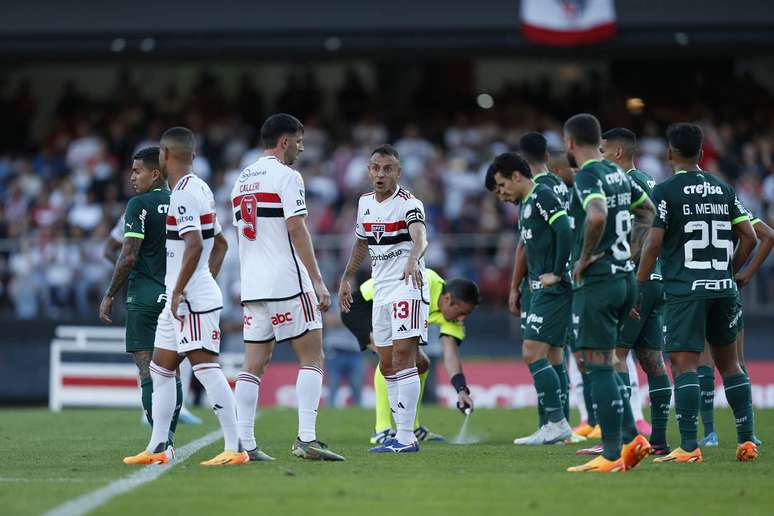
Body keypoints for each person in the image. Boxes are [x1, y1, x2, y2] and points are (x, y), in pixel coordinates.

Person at [636, 123, 758, 463]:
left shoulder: (665, 190)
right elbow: (750, 237)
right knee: (731, 363)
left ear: (669, 154)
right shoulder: (723, 188)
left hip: (686, 290)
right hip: (723, 288)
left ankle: (689, 447)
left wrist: (640, 284)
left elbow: (654, 242)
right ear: (702, 154)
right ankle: (747, 441)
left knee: (683, 364)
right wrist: (729, 272)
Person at [123, 127, 244, 466]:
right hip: (183, 296)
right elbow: (219, 243)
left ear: (164, 154)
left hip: (186, 298)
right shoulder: (199, 188)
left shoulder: (184, 195)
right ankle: (159, 447)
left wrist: (180, 290)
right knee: (161, 371)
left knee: (206, 368)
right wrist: (203, 278)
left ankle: (235, 448)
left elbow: (193, 245)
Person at [231, 113, 344, 462]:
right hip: (287, 283)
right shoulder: (287, 176)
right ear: (284, 142)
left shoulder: (241, 179)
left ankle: (244, 443)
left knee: (253, 365)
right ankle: (307, 439)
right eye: (298, 140)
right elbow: (297, 229)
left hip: (252, 286)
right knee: (313, 357)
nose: (301, 147)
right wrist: (318, 282)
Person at [563, 113, 656, 473]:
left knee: (594, 362)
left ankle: (612, 453)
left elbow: (597, 216)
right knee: (611, 361)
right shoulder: (618, 173)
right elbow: (646, 211)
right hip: (624, 278)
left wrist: (586, 258)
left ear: (571, 142)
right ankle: (633, 438)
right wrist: (627, 252)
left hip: (599, 281)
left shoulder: (589, 174)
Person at [339, 144, 429, 453]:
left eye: (387, 168)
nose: (381, 173)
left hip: (407, 284)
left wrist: (413, 259)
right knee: (387, 362)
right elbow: (362, 243)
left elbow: (421, 237)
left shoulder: (409, 203)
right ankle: (397, 434)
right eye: (376, 168)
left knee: (404, 357)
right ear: (368, 171)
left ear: (398, 172)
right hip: (381, 288)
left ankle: (406, 436)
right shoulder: (364, 203)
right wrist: (348, 276)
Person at [100, 147, 186, 444]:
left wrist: (110, 293)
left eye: (137, 171)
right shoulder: (182, 200)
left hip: (144, 297)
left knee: (147, 370)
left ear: (156, 173)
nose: (132, 177)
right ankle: (168, 436)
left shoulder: (138, 205)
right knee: (171, 371)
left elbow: (126, 257)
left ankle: (160, 440)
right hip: (177, 295)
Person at [488, 152, 574, 445]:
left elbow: (565, 229)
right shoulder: (528, 203)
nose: (502, 193)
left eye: (502, 185)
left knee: (531, 352)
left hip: (553, 289)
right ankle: (560, 427)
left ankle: (557, 422)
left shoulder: (542, 195)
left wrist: (559, 272)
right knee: (554, 356)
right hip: (540, 289)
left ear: (516, 176)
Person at [340, 268, 479, 444]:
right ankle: (382, 430)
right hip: (363, 306)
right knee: (390, 359)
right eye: (461, 312)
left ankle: (413, 426)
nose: (461, 319)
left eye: (466, 315)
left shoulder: (451, 319)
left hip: (394, 312)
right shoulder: (423, 282)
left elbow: (450, 353)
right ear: (447, 299)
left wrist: (461, 390)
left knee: (422, 364)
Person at [600, 127, 672, 456]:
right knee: (652, 361)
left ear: (616, 152)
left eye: (602, 150)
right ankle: (658, 439)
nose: (599, 155)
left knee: (612, 357)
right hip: (657, 281)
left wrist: (630, 270)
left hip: (637, 280)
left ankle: (626, 439)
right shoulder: (647, 180)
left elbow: (649, 224)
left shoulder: (630, 182)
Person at [697, 207, 773, 447]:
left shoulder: (683, 200)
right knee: (738, 362)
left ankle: (709, 433)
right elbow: (767, 235)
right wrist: (745, 272)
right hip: (726, 287)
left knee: (705, 360)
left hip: (696, 287)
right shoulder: (726, 201)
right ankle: (748, 432)